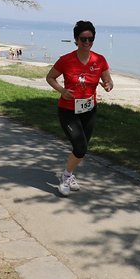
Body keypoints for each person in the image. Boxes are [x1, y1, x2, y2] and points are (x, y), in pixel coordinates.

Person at [45, 20, 114, 197]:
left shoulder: (99, 60)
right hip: (68, 110)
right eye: (83, 39)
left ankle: (70, 174)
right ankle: (66, 176)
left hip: (89, 110)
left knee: (81, 149)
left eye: (90, 39)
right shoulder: (66, 60)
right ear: (76, 39)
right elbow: (50, 77)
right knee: (80, 147)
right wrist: (61, 90)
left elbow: (108, 80)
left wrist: (108, 85)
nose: (87, 43)